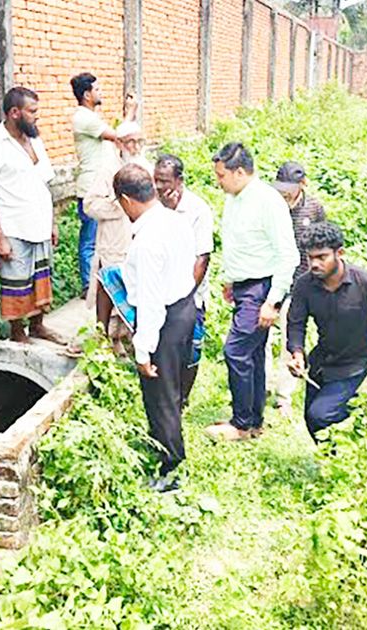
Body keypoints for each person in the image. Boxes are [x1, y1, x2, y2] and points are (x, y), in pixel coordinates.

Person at [204, 142, 299, 442]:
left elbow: (288, 255)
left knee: (236, 351)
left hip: (262, 288)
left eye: (221, 176)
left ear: (240, 172)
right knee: (254, 354)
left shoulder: (268, 201)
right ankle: (254, 421)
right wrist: (231, 280)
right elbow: (240, 243)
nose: (218, 181)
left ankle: (241, 424)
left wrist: (272, 301)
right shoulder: (235, 197)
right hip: (245, 287)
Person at [112, 164, 198, 492]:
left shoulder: (146, 241)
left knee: (159, 395)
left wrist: (143, 350)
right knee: (172, 389)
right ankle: (164, 443)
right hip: (184, 307)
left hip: (164, 319)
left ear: (125, 200)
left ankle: (171, 469)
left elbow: (149, 301)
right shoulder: (176, 221)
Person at [285, 223, 367, 440]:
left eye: (322, 257)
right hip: (321, 361)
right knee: (313, 421)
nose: (314, 264)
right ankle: (336, 463)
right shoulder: (304, 285)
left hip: (355, 362)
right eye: (310, 258)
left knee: (321, 414)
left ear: (340, 253)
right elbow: (296, 323)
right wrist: (297, 355)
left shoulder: (366, 282)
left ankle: (362, 411)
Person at [0, 87, 68, 345]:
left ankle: (38, 327)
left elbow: (44, 185)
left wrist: (52, 223)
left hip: (39, 224)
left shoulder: (35, 139)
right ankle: (18, 333)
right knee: (16, 283)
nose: (37, 116)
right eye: (32, 111)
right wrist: (0, 238)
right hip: (14, 227)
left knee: (41, 279)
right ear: (15, 113)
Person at [83, 121, 153, 348]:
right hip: (114, 238)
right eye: (130, 142)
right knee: (109, 285)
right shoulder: (107, 169)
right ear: (119, 144)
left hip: (140, 238)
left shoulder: (146, 167)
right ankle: (104, 336)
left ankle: (129, 336)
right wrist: (120, 206)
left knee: (136, 287)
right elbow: (89, 205)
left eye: (139, 141)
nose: (135, 147)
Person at [153, 153, 215, 408]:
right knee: (164, 345)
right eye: (155, 180)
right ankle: (167, 395)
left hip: (191, 293)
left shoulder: (198, 210)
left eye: (164, 181)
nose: (158, 186)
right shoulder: (154, 205)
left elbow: (202, 258)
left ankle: (183, 397)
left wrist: (185, 296)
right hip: (161, 289)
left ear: (179, 181)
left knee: (191, 347)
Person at [70, 73, 137, 298]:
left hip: (101, 186)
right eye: (97, 89)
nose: (101, 93)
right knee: (90, 240)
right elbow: (120, 136)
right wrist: (130, 112)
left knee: (101, 238)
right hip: (92, 187)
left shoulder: (91, 117)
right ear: (87, 94)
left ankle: (99, 283)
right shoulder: (83, 118)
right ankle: (90, 286)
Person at [267, 161, 327, 411]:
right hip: (270, 281)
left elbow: (322, 242)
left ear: (302, 184)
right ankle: (263, 384)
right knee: (262, 338)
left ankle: (284, 396)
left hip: (300, 284)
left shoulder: (313, 209)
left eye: (289, 188)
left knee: (291, 342)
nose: (284, 192)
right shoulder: (269, 204)